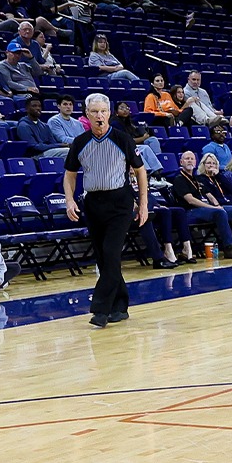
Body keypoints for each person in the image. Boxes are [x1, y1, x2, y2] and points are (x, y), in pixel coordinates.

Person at [62, 93, 150, 327]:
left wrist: (143, 204)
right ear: (87, 115)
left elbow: (140, 171)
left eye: (103, 111)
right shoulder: (80, 142)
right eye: (94, 112)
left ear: (109, 113)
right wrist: (69, 200)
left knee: (111, 253)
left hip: (120, 201)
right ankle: (120, 306)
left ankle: (100, 310)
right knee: (104, 258)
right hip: (93, 202)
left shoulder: (122, 139)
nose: (99, 116)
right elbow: (70, 175)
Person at [169, 151, 232, 260]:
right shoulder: (179, 179)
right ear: (181, 162)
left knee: (231, 210)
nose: (190, 161)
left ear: (196, 162)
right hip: (190, 211)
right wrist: (213, 208)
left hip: (204, 209)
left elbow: (209, 195)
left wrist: (217, 204)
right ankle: (229, 247)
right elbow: (191, 200)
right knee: (219, 213)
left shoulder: (196, 179)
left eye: (192, 159)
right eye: (187, 159)